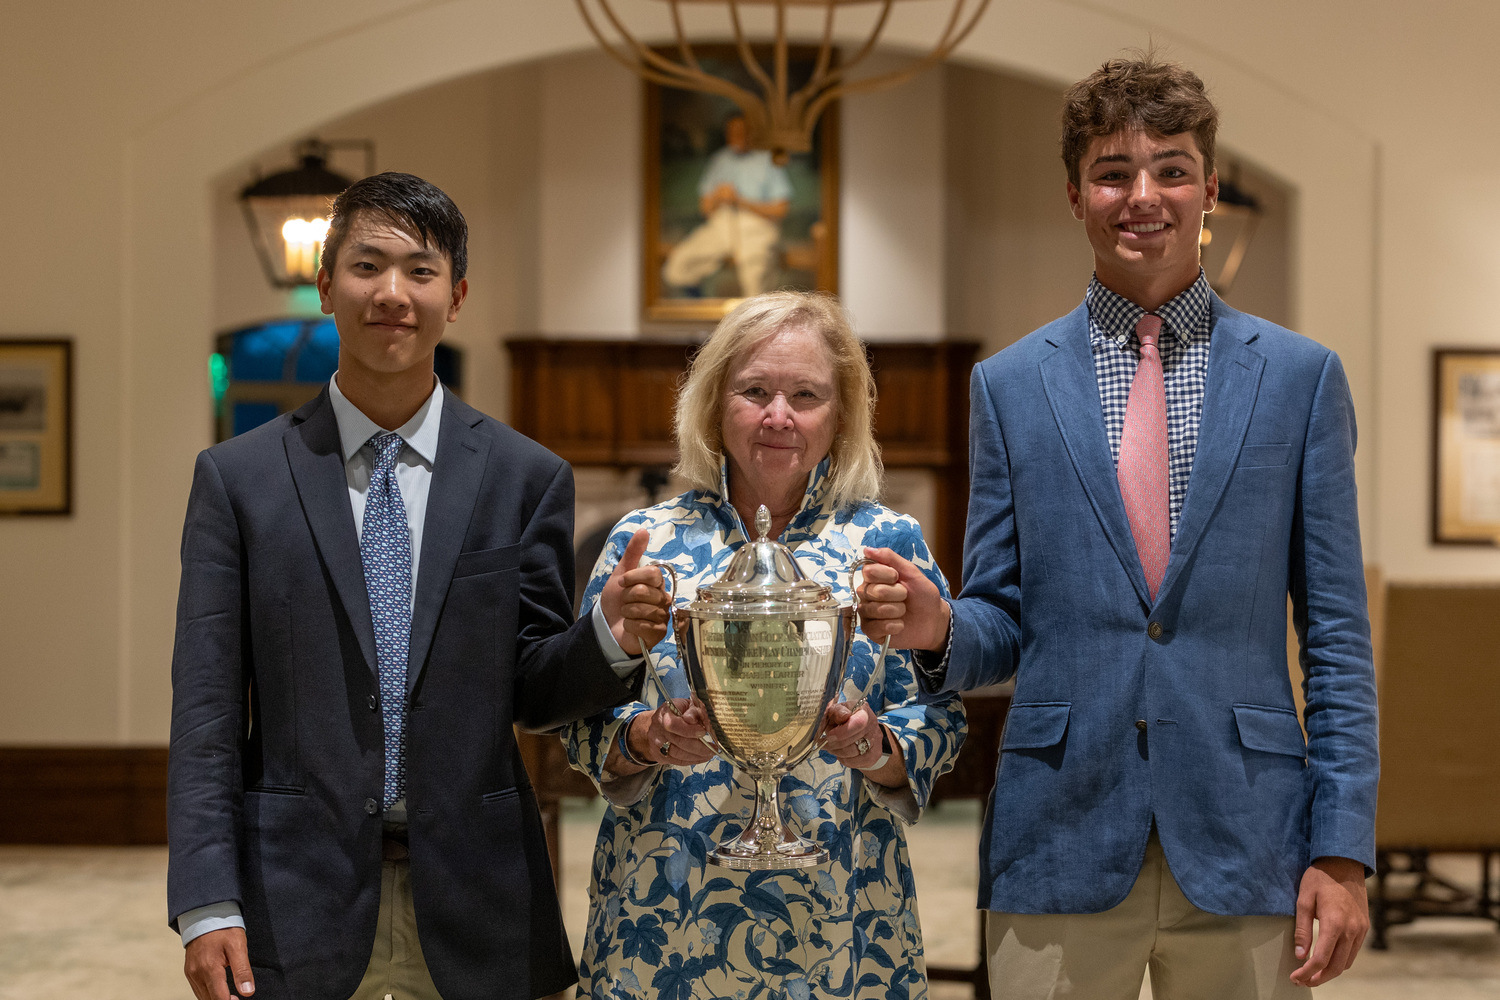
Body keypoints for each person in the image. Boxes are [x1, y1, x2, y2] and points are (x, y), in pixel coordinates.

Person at [857, 57, 1379, 1000]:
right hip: (1059, 832)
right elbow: (1001, 618)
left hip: (1249, 836)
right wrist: (941, 630)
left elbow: (1337, 637)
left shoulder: (1302, 380)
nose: (1144, 196)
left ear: (1209, 189)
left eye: (1171, 169)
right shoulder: (1008, 386)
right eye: (1113, 172)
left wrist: (1342, 851)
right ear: (1074, 195)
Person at [167, 172, 643, 1000]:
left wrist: (606, 635)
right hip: (292, 895)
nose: (393, 293)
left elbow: (530, 688)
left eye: (420, 271)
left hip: (478, 896)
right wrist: (207, 903)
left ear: (455, 297)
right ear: (324, 285)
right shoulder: (237, 481)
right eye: (368, 266)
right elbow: (206, 712)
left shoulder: (525, 478)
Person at [561, 291, 967, 1000]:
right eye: (755, 390)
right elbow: (582, 726)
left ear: (840, 414)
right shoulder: (644, 544)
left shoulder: (887, 545)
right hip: (666, 914)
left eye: (805, 394)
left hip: (842, 916)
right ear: (717, 402)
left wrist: (877, 746)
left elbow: (942, 717)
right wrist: (649, 737)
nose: (779, 415)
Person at [662, 115, 791, 297]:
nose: (737, 136)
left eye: (742, 131)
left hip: (757, 226)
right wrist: (718, 196)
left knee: (755, 274)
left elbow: (781, 209)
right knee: (680, 264)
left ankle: (754, 320)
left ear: (751, 132)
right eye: (732, 132)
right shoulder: (720, 160)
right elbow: (705, 208)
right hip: (722, 223)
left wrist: (740, 200)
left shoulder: (767, 159)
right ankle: (699, 306)